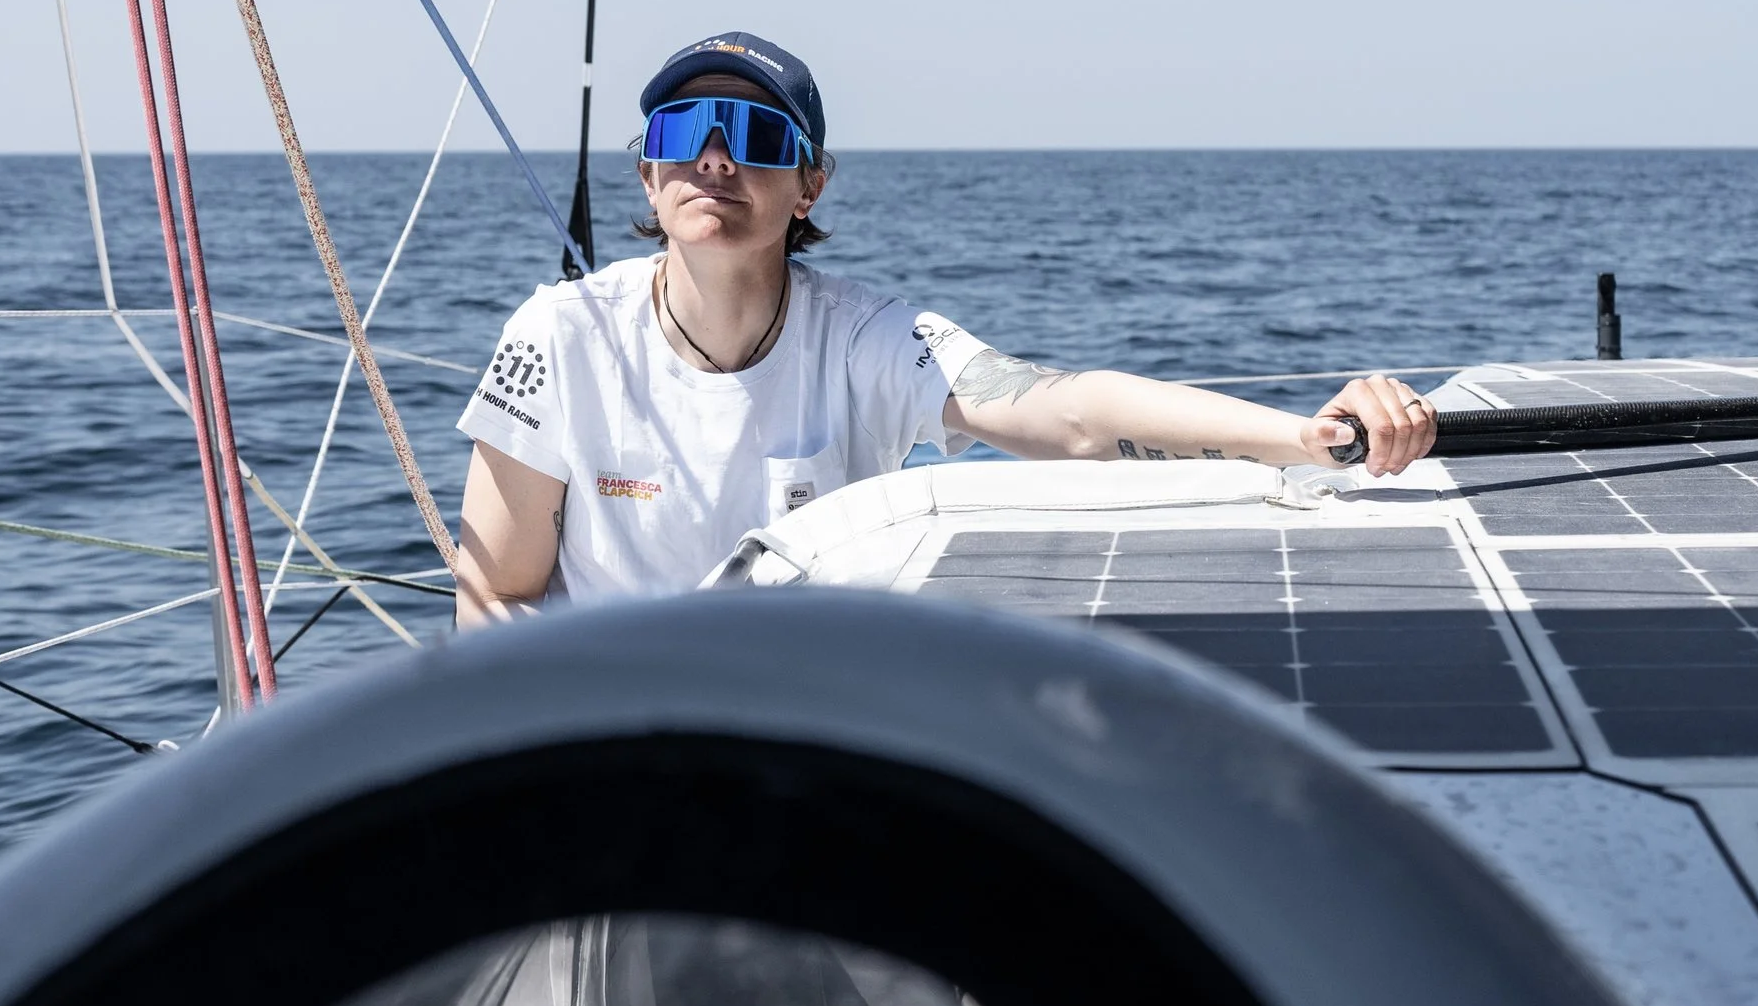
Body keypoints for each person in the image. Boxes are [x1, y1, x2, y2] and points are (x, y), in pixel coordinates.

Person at [454, 31, 1437, 617]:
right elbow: (495, 591)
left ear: (810, 184)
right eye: (681, 133)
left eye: (754, 137)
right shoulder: (559, 337)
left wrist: (1306, 438)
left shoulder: (869, 338)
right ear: (648, 171)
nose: (715, 161)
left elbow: (1069, 416)